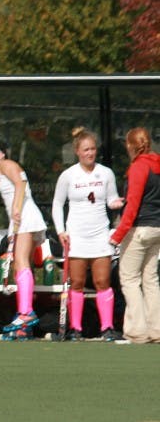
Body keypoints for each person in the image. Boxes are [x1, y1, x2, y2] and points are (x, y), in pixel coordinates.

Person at [51, 127, 124, 341]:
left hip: (100, 235)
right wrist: (61, 231)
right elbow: (57, 204)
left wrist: (118, 203)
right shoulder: (68, 175)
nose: (90, 153)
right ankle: (75, 329)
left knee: (103, 281)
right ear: (77, 151)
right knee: (77, 283)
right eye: (85, 150)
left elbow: (111, 200)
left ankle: (107, 327)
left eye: (92, 149)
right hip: (77, 236)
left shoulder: (106, 173)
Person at [0, 146, 48, 340]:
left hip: (25, 216)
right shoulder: (2, 170)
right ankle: (23, 321)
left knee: (20, 262)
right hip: (20, 219)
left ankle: (26, 313)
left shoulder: (7, 164)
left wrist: (17, 210)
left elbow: (21, 183)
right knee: (21, 267)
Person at [110, 127, 160, 343]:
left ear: (131, 146)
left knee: (129, 279)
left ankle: (137, 331)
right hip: (157, 228)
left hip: (139, 229)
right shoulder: (157, 165)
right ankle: (157, 329)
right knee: (151, 280)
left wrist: (117, 236)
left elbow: (133, 207)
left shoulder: (139, 167)